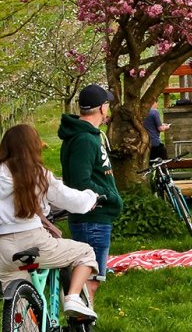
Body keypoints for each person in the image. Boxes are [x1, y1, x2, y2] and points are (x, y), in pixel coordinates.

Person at [0, 125, 101, 319]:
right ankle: (72, 297)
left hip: (3, 249)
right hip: (34, 241)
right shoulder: (37, 174)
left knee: (22, 307)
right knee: (85, 252)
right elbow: (72, 200)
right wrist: (91, 197)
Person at [59, 84, 124, 300]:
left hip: (96, 218)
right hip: (92, 219)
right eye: (107, 104)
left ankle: (82, 315)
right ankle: (81, 316)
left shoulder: (88, 136)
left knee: (91, 280)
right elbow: (81, 182)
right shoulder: (84, 139)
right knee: (90, 281)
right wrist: (110, 196)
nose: (108, 108)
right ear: (102, 108)